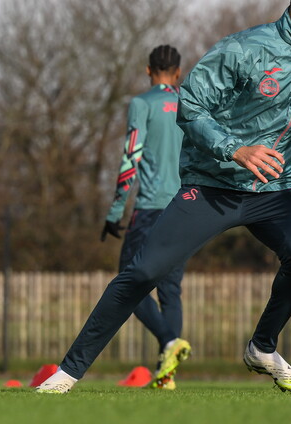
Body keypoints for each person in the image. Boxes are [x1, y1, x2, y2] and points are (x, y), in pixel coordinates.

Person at [37, 0, 291, 394]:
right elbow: (190, 106)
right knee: (143, 273)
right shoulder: (243, 49)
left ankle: (263, 347)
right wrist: (236, 149)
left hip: (280, 185)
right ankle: (66, 374)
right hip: (215, 184)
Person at [101, 44, 187, 389]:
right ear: (178, 73)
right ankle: (166, 377)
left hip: (150, 209)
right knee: (170, 291)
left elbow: (131, 157)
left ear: (148, 70)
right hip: (184, 209)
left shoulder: (141, 104)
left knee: (129, 283)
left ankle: (169, 341)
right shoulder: (188, 104)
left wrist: (115, 210)